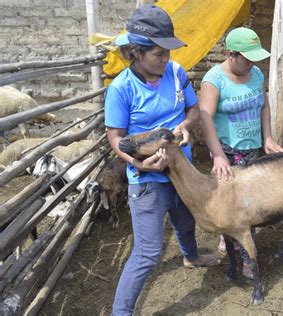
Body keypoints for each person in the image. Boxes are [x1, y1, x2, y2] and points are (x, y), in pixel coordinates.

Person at [104, 5, 220, 315]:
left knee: (185, 219)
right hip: (148, 177)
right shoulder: (121, 89)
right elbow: (115, 138)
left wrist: (185, 125)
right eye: (159, 54)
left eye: (168, 52)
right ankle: (121, 311)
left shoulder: (177, 72)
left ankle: (190, 256)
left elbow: (194, 110)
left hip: (181, 170)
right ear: (136, 53)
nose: (166, 59)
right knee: (148, 253)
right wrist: (139, 164)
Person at [199, 27, 283, 279]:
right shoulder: (214, 80)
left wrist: (267, 137)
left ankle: (233, 241)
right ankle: (246, 257)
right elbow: (206, 120)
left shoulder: (256, 73)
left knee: (250, 201)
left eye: (254, 58)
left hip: (252, 149)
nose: (251, 63)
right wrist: (217, 155)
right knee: (237, 206)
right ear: (229, 54)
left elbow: (264, 106)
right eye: (247, 58)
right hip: (227, 151)